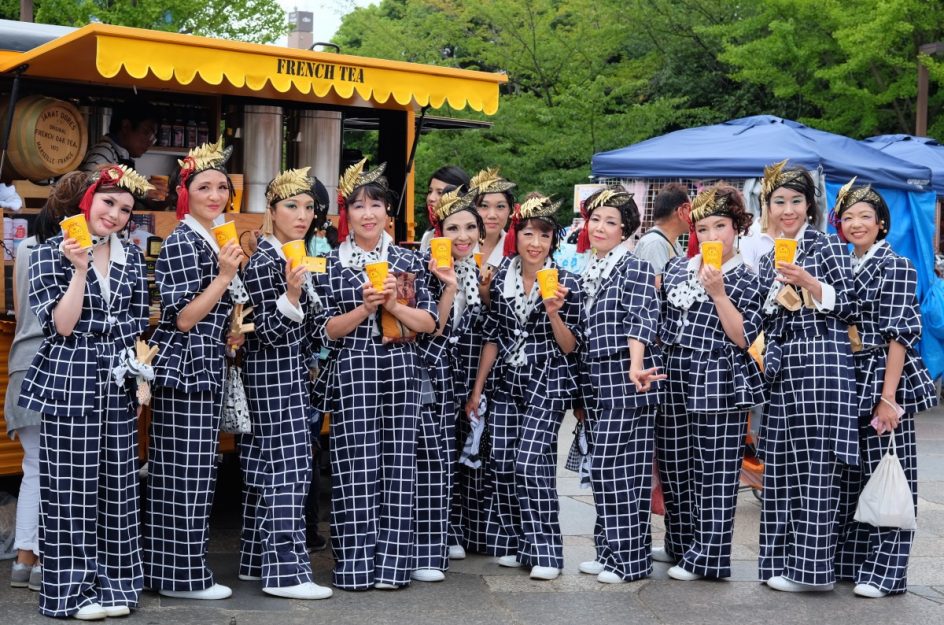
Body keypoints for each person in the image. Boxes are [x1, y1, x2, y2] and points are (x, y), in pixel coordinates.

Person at [18, 165, 152, 619]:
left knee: (118, 488)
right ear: (88, 200)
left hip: (118, 377)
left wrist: (139, 377)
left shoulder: (133, 258)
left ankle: (116, 588)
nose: (114, 214)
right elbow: (61, 325)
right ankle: (69, 594)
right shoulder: (46, 254)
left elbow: (136, 324)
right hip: (70, 373)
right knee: (69, 490)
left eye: (125, 209)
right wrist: (78, 271)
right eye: (108, 202)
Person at [314, 158, 437, 590]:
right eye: (359, 206)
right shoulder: (330, 264)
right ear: (346, 215)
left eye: (376, 205)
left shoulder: (408, 259)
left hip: (401, 374)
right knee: (353, 469)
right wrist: (364, 308)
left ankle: (391, 568)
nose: (368, 214)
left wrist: (392, 305)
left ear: (388, 212)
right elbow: (326, 331)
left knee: (399, 468)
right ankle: (353, 566)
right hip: (353, 373)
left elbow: (428, 324)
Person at [145, 138, 247, 601]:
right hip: (186, 370)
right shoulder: (184, 240)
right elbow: (183, 317)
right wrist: (224, 278)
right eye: (204, 186)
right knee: (184, 473)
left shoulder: (212, 236)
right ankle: (182, 577)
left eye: (222, 187)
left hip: (203, 367)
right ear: (186, 193)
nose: (215, 194)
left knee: (193, 472)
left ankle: (177, 573)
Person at [465, 193, 582, 581]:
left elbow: (570, 346)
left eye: (544, 236)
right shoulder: (499, 279)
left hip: (547, 380)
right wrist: (478, 389)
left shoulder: (568, 283)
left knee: (530, 462)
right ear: (516, 236)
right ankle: (518, 543)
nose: (535, 243)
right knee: (501, 461)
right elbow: (493, 336)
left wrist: (554, 312)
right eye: (528, 233)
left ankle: (546, 549)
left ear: (553, 241)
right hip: (504, 381)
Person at [755, 161, 858, 593]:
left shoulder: (828, 247)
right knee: (778, 467)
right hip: (783, 371)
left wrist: (810, 283)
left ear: (810, 206)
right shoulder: (767, 255)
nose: (788, 209)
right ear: (769, 207)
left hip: (823, 365)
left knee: (817, 468)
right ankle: (778, 563)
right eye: (780, 202)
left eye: (796, 201)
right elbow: (764, 318)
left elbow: (850, 305)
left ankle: (812, 572)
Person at [831, 181, 937, 597]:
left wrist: (889, 396)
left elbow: (900, 335)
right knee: (854, 472)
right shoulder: (844, 262)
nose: (857, 224)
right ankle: (853, 563)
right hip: (848, 372)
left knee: (891, 470)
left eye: (865, 217)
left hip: (881, 371)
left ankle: (887, 571)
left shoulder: (896, 265)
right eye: (849, 218)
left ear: (881, 224)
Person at [657, 185, 764, 582]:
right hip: (674, 375)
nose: (711, 235)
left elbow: (743, 337)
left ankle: (710, 556)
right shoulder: (677, 269)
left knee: (715, 471)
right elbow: (664, 325)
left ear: (737, 228)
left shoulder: (748, 278)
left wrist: (718, 292)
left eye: (720, 225)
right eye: (703, 227)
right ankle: (680, 545)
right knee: (675, 465)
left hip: (719, 377)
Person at [238, 167, 333, 600]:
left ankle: (255, 562)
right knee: (289, 471)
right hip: (273, 375)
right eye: (291, 206)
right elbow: (271, 333)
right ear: (272, 211)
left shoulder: (295, 256)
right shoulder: (264, 261)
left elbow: (313, 333)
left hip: (288, 374)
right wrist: (293, 296)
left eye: (309, 207)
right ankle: (286, 574)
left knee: (266, 469)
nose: (302, 214)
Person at [572, 186, 663, 584]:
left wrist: (637, 363)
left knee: (622, 471)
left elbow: (643, 317)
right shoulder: (590, 266)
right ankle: (608, 550)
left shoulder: (635, 266)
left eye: (611, 221)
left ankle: (629, 561)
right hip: (596, 379)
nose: (601, 227)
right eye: (595, 219)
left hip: (628, 378)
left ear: (626, 228)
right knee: (605, 469)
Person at [413, 188, 487, 580]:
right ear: (438, 231)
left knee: (450, 454)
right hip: (426, 370)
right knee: (429, 459)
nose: (463, 236)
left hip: (456, 374)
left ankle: (444, 532)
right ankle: (426, 547)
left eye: (470, 228)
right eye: (453, 228)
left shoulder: (474, 269)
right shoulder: (425, 267)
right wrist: (449, 288)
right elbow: (433, 328)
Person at [633, 182, 690, 285]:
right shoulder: (655, 243)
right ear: (680, 212)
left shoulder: (673, 242)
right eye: (689, 209)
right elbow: (656, 288)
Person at [80, 98, 158, 172]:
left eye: (152, 137)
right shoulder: (104, 152)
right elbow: (89, 185)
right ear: (126, 126)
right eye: (146, 132)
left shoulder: (121, 155)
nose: (150, 142)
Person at [470, 168, 516, 271]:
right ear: (472, 209)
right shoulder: (457, 246)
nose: (492, 215)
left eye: (500, 206)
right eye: (484, 206)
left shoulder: (518, 252)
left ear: (510, 210)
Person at [419, 166, 470, 251]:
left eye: (440, 192)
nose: (431, 198)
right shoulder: (429, 235)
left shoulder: (476, 236)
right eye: (430, 191)